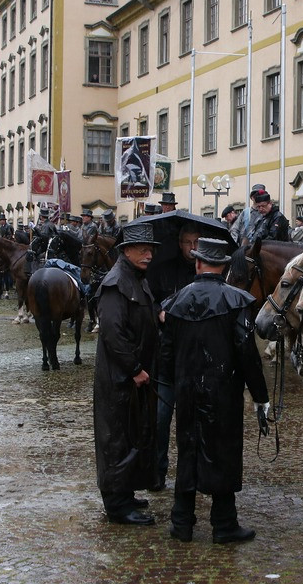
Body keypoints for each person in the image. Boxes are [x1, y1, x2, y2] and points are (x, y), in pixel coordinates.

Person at [159, 237, 270, 544]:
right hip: (224, 392)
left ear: (197, 263)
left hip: (186, 391)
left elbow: (165, 353)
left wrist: (172, 384)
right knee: (224, 452)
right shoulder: (237, 302)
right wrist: (260, 396)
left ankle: (182, 522)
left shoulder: (176, 302)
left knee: (188, 450)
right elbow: (248, 354)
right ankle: (224, 524)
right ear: (223, 267)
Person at [93, 221, 161, 526]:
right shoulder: (115, 282)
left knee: (134, 435)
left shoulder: (138, 278)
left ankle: (126, 492)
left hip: (135, 376)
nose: (149, 255)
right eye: (143, 250)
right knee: (116, 439)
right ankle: (117, 506)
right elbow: (113, 333)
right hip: (118, 378)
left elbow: (146, 313)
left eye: (151, 250)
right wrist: (134, 369)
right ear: (127, 251)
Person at [148, 224, 201, 491]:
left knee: (195, 422)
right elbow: (150, 298)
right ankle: (157, 471)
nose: (192, 248)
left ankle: (193, 473)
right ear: (179, 243)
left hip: (195, 358)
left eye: (196, 242)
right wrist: (159, 311)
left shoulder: (206, 271)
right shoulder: (163, 270)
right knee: (160, 418)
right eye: (187, 242)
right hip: (167, 357)